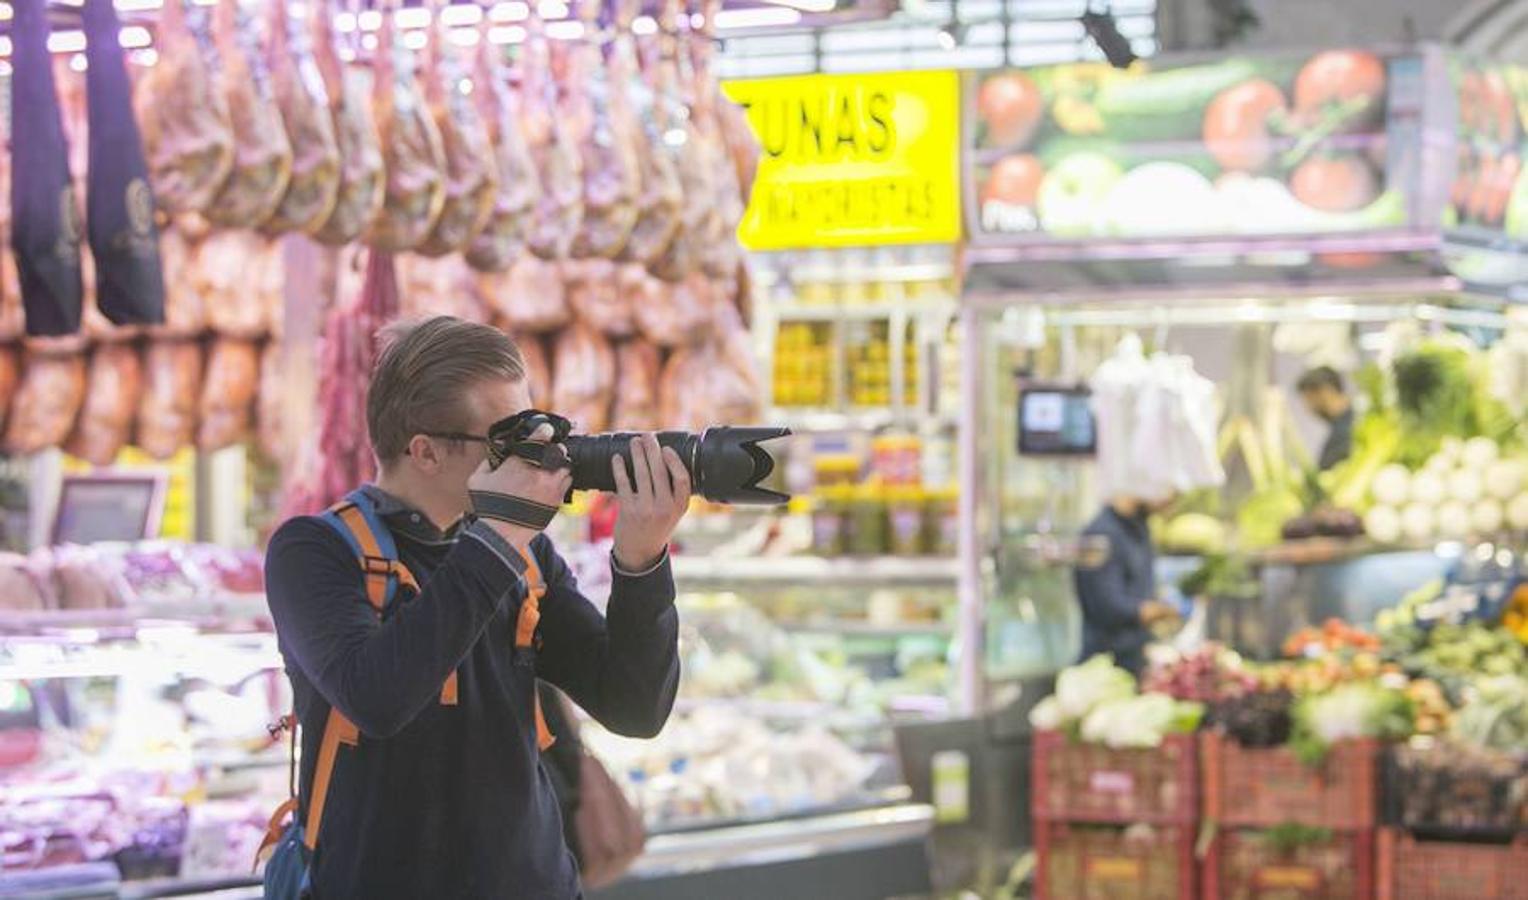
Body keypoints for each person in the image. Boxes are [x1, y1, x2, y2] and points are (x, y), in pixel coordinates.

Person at [264, 316, 689, 898]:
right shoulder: (313, 551)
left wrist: (641, 561)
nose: (538, 461)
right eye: (510, 443)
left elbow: (635, 705)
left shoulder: (526, 554)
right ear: (427, 452)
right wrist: (498, 536)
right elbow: (378, 698)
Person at [1074, 494, 1178, 678]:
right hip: (1105, 665)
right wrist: (1158, 611)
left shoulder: (1140, 527)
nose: (1172, 498)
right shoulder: (1099, 534)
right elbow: (1107, 606)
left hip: (1136, 657)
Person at [1297, 366, 1355, 471]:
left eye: (1309, 399)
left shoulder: (1345, 432)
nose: (1308, 409)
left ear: (1325, 392)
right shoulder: (1344, 425)